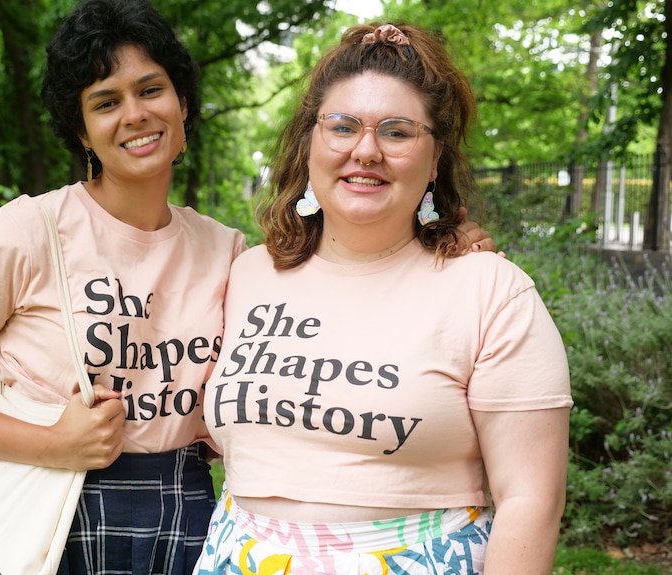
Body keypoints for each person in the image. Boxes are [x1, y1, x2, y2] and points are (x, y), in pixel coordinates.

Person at [0, 2, 500, 573]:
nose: (135, 114)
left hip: (190, 511)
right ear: (80, 131)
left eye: (151, 90)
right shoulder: (25, 233)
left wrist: (440, 241)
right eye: (105, 102)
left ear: (182, 103)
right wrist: (50, 444)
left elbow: (341, 289)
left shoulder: (229, 253)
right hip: (53, 503)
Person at [195, 22, 572, 575]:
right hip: (238, 554)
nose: (365, 150)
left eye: (397, 132)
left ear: (434, 159)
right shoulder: (247, 273)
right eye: (342, 126)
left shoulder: (489, 290)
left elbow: (531, 501)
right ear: (309, 145)